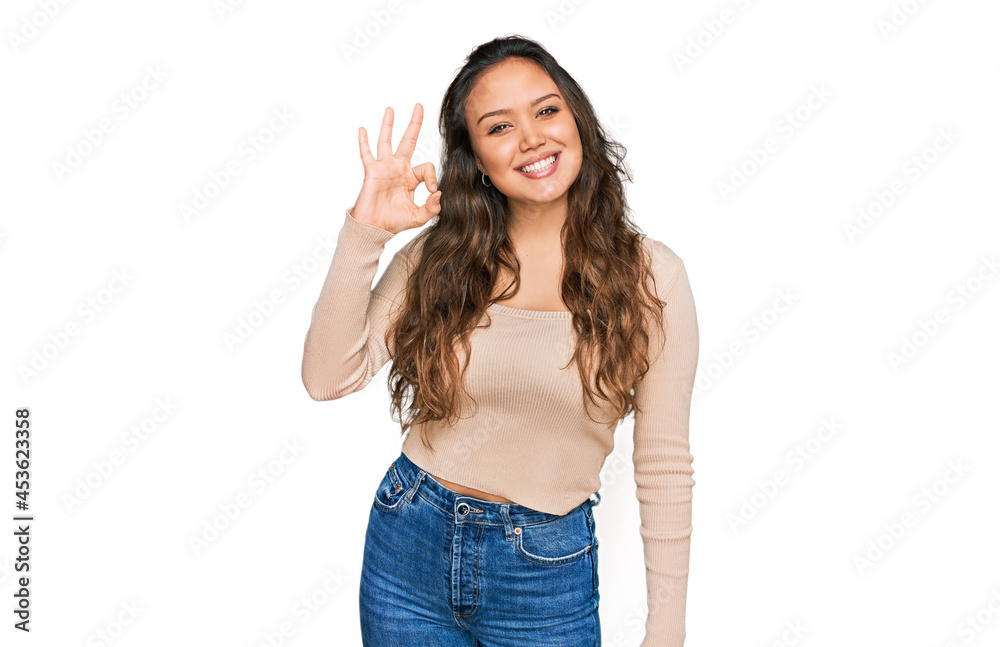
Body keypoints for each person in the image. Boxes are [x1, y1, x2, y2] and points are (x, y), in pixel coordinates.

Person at [301, 34, 699, 647]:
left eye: (547, 111)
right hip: (408, 545)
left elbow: (664, 461)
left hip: (544, 573)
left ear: (577, 121)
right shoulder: (440, 257)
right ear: (477, 161)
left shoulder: (652, 277)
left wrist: (666, 630)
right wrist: (366, 232)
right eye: (499, 127)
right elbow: (327, 377)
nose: (532, 138)